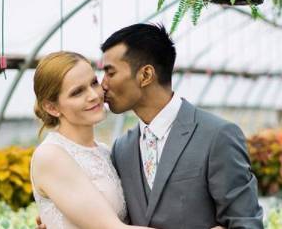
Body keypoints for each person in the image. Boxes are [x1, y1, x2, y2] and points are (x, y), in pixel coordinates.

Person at [37, 23, 263, 229]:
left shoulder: (217, 135)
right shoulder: (122, 149)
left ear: (145, 75)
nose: (101, 87)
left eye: (109, 73)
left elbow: (246, 223)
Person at [30, 51, 151, 229]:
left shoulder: (104, 152)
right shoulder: (51, 155)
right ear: (52, 107)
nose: (94, 95)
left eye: (94, 83)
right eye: (77, 92)